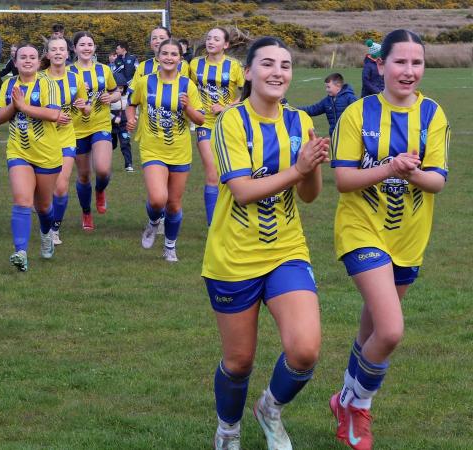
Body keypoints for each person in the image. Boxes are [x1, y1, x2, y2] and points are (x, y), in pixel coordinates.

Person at [203, 37, 330, 449]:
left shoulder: (299, 122)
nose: (278, 72)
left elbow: (310, 195)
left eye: (286, 65)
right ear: (250, 73)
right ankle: (228, 428)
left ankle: (270, 408)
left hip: (286, 251)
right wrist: (298, 168)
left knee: (305, 350)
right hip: (233, 257)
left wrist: (310, 168)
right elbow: (241, 190)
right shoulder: (230, 122)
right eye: (269, 64)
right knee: (239, 362)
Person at [328, 29, 449, 450]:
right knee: (391, 330)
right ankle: (356, 405)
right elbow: (344, 180)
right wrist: (390, 167)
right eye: (400, 62)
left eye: (417, 63)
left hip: (409, 237)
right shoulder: (357, 114)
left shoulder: (433, 115)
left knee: (370, 332)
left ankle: (342, 398)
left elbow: (437, 182)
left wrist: (412, 173)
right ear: (380, 66)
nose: (409, 71)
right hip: (361, 229)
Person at [126, 38, 204, 262]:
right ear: (158, 57)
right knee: (159, 199)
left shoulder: (187, 85)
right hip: (152, 149)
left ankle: (170, 246)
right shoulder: (145, 82)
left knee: (173, 203)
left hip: (180, 151)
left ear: (180, 59)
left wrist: (188, 106)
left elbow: (200, 119)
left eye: (174, 54)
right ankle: (152, 222)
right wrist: (130, 119)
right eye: (165, 53)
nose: (169, 57)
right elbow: (131, 103)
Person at [0, 43, 62, 271]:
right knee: (22, 200)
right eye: (22, 57)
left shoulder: (48, 83)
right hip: (18, 151)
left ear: (38, 61)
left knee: (44, 206)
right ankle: (21, 252)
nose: (27, 60)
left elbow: (53, 114)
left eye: (32, 57)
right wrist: (15, 107)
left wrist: (23, 106)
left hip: (47, 153)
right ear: (15, 62)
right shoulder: (8, 85)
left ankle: (46, 233)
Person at [189, 27, 244, 227]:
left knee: (231, 174)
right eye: (209, 37)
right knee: (212, 172)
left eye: (216, 39)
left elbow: (247, 92)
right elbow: (186, 86)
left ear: (226, 45)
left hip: (229, 125)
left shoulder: (234, 66)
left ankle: (232, 215)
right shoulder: (194, 64)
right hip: (205, 123)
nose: (211, 41)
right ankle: (213, 226)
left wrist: (226, 107)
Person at [68, 31, 119, 230]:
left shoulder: (104, 70)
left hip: (101, 124)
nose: (87, 47)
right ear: (75, 48)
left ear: (95, 48)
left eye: (90, 44)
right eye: (82, 44)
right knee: (83, 176)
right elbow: (62, 98)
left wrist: (111, 98)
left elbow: (116, 92)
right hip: (77, 128)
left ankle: (100, 190)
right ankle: (86, 212)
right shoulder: (68, 72)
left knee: (103, 170)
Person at [42, 36, 89, 246]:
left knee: (61, 188)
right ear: (48, 54)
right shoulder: (39, 78)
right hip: (41, 140)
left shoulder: (75, 79)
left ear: (68, 53)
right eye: (54, 49)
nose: (58, 53)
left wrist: (83, 107)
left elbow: (86, 110)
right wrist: (51, 115)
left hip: (67, 138)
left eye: (62, 49)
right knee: (44, 192)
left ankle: (54, 229)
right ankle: (44, 217)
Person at [297, 72, 357, 137]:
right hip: (334, 136)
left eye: (328, 87)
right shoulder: (327, 101)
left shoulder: (349, 98)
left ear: (338, 85)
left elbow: (358, 114)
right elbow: (313, 109)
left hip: (349, 135)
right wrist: (295, 109)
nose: (326, 90)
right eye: (326, 87)